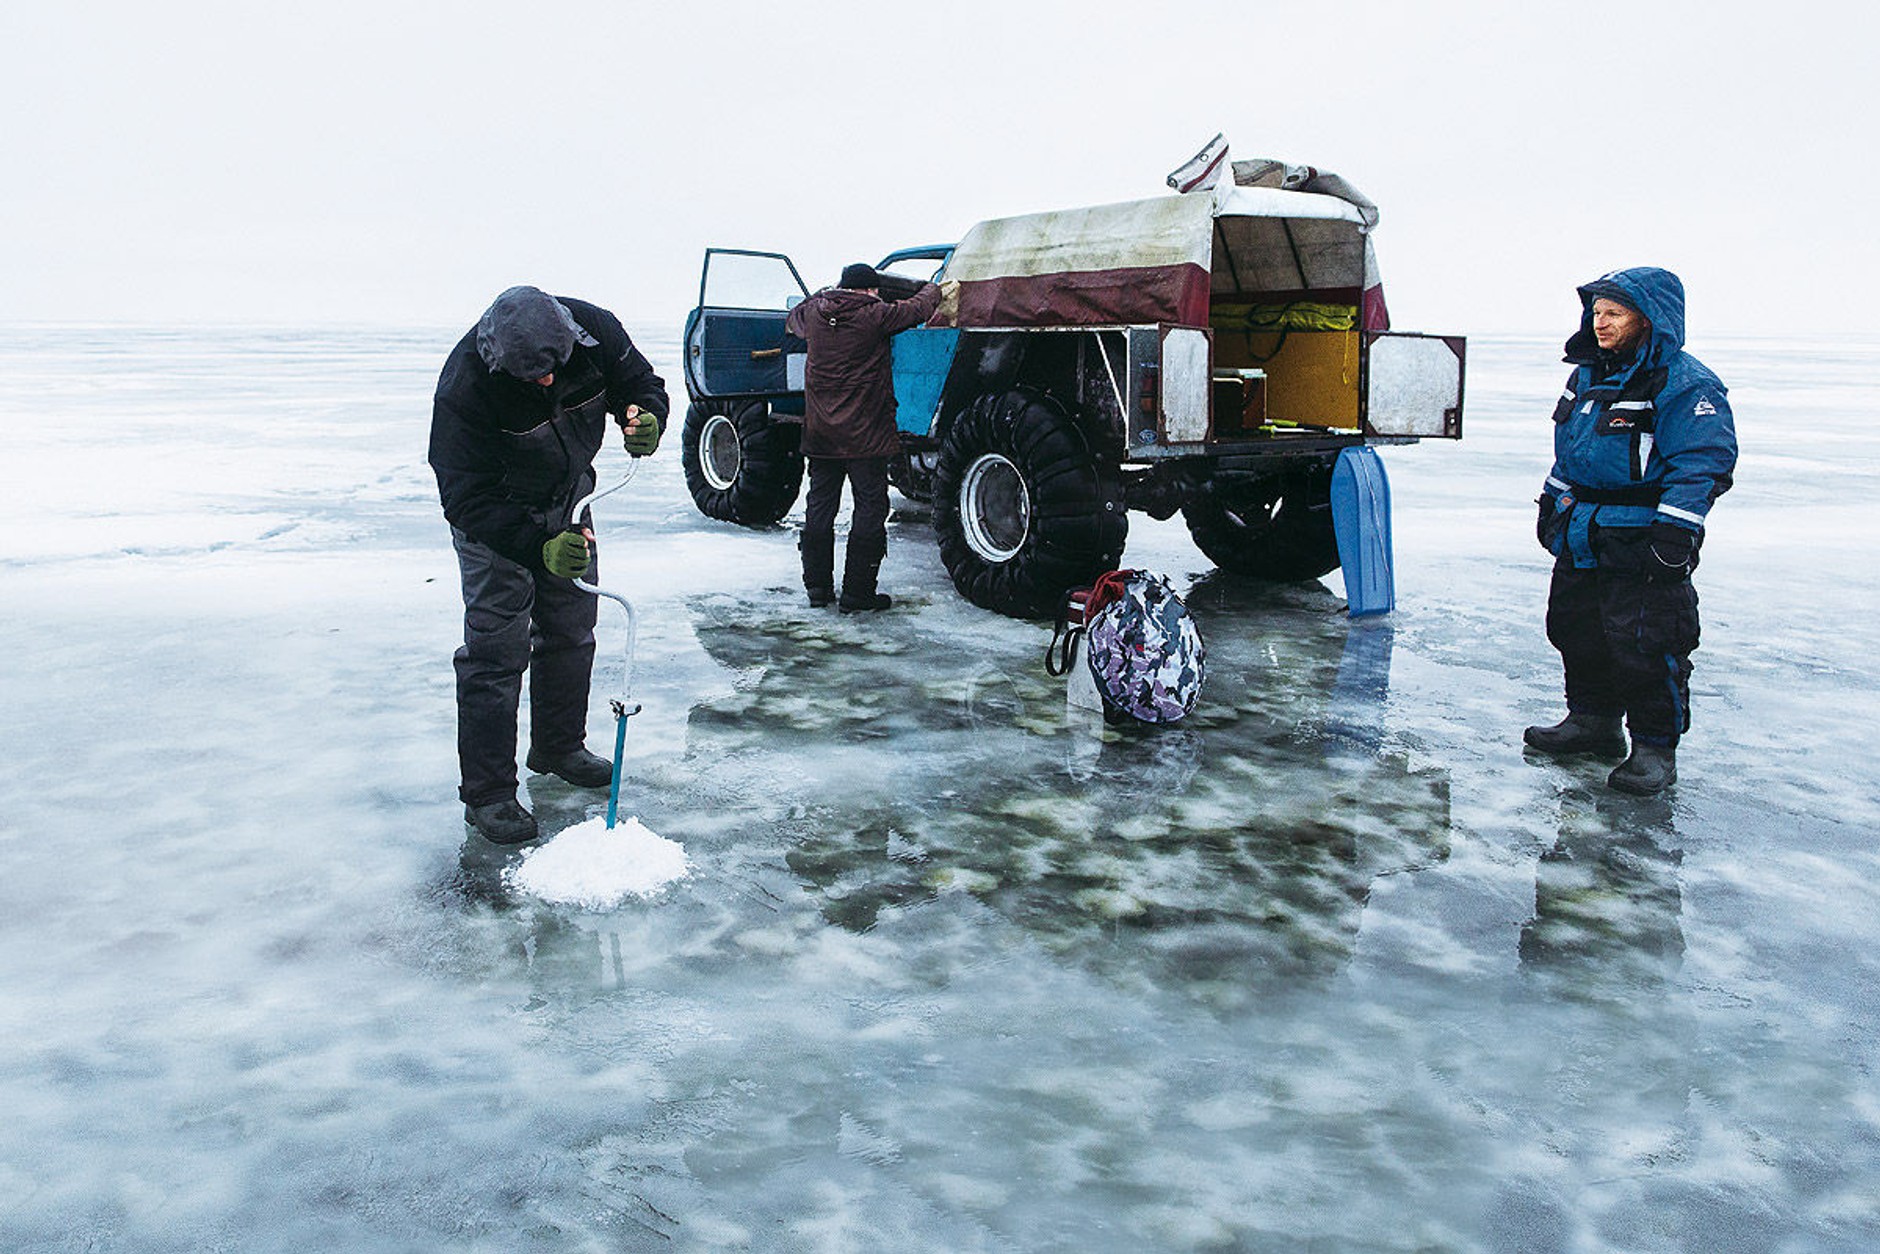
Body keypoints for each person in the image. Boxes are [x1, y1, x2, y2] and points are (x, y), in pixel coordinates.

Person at [429, 286, 669, 844]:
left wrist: (645, 416)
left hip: (568, 501)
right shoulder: (465, 385)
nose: (544, 385)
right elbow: (465, 497)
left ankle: (558, 746)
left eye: (551, 372)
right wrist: (536, 546)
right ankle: (487, 794)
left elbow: (641, 385)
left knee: (571, 628)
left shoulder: (595, 329)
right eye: (528, 379)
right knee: (495, 651)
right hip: (497, 518)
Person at [1526, 267, 1737, 795]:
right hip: (1582, 530)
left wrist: (1676, 533)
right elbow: (1571, 455)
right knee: (1576, 629)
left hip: (1641, 536)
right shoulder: (1587, 377)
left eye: (1613, 313)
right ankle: (1592, 723)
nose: (1600, 323)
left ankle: (1653, 748)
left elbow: (1703, 463)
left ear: (1647, 319)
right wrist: (1553, 502)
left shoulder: (1685, 382)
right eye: (1596, 312)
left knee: (1646, 643)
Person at [784, 263, 941, 611]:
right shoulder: (875, 315)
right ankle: (857, 594)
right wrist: (934, 286)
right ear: (870, 290)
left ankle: (818, 589)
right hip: (865, 436)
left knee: (820, 506)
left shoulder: (812, 313)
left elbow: (792, 318)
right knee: (870, 508)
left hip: (821, 433)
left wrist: (823, 293)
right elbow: (918, 308)